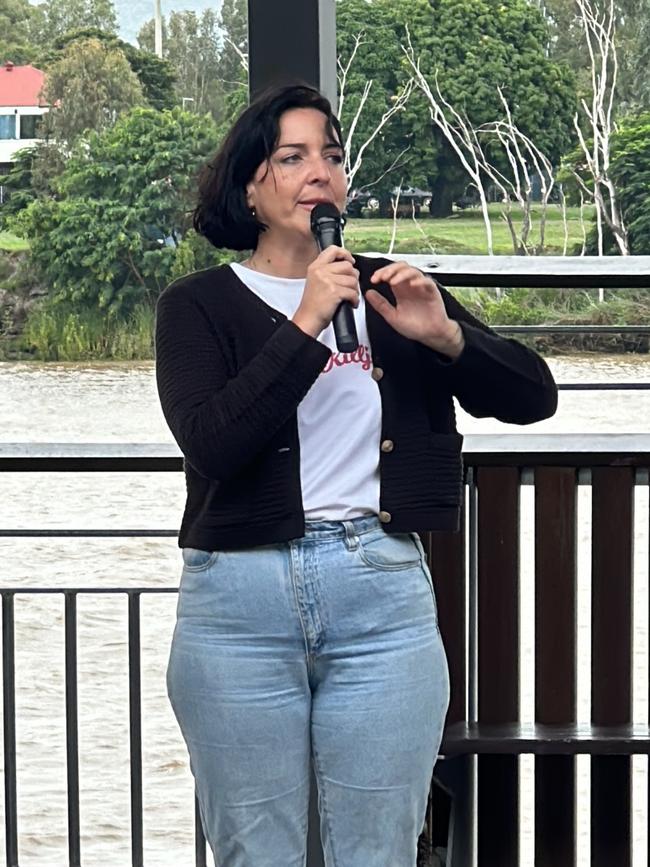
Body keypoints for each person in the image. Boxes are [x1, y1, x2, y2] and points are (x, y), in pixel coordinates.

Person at [155, 83, 557, 867]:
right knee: (256, 852)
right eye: (293, 157)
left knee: (379, 851)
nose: (320, 174)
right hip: (238, 605)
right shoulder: (197, 306)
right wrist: (307, 319)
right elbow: (214, 442)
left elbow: (534, 395)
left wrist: (445, 338)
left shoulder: (388, 290)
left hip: (379, 596)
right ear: (249, 184)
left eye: (332, 157)